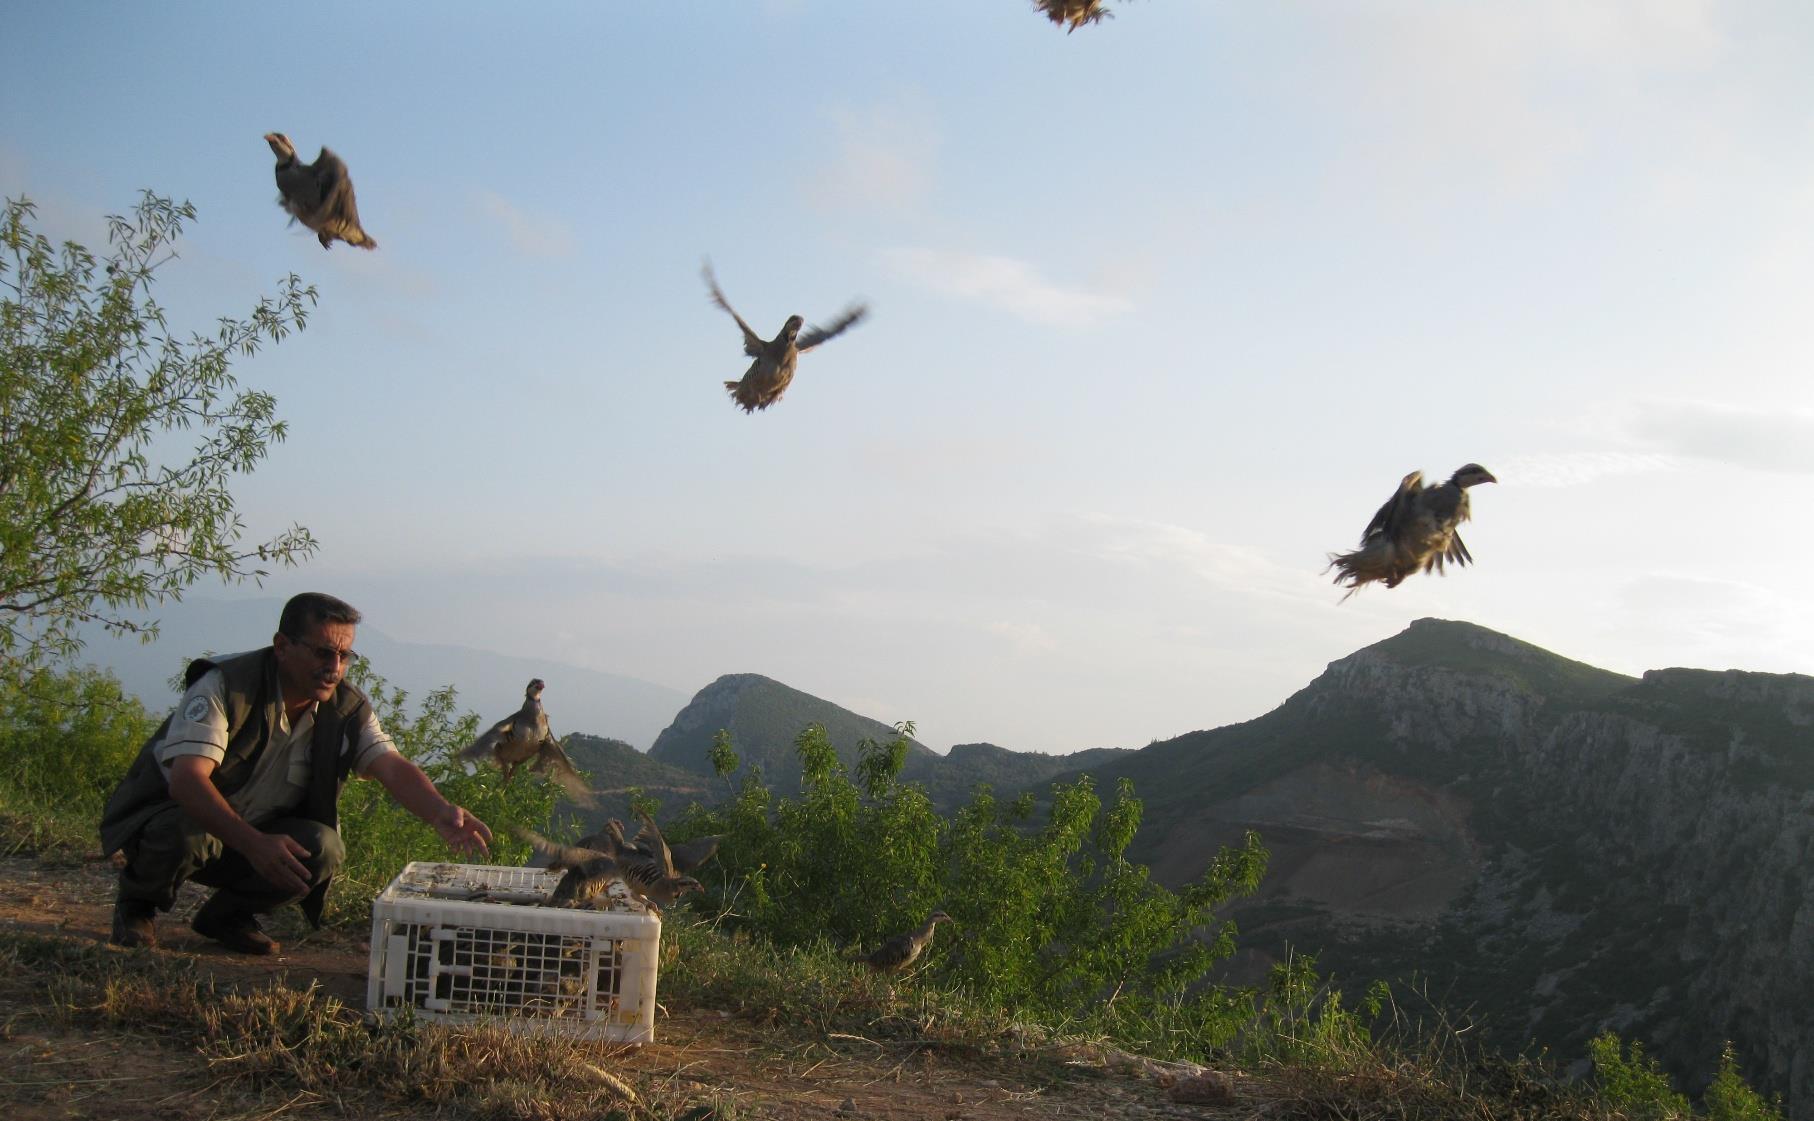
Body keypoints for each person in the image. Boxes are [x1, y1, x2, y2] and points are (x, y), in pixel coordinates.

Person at [99, 592, 492, 955]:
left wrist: (440, 812)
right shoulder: (225, 685)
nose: (334, 667)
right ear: (282, 646)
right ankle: (137, 904)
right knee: (187, 834)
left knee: (323, 848)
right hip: (175, 821)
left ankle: (226, 917)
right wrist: (254, 844)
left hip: (254, 833)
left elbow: (389, 765)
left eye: (344, 655)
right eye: (323, 652)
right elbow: (187, 781)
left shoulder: (346, 709)